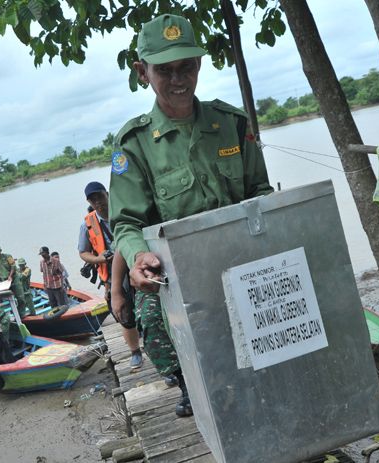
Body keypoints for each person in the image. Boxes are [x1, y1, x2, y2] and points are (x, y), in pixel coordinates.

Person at [109, 14, 273, 417]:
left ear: (199, 64)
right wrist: (137, 257)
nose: (178, 79)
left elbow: (260, 191)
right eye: (164, 70)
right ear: (142, 72)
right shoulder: (134, 144)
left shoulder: (231, 123)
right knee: (152, 320)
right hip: (176, 273)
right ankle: (188, 385)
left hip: (241, 260)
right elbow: (126, 223)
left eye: (187, 67)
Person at [78, 181, 142, 368]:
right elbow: (83, 253)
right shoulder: (87, 225)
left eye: (100, 196)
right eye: (93, 200)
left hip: (135, 262)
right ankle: (135, 351)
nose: (98, 202)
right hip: (112, 274)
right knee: (123, 314)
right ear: (89, 202)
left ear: (107, 194)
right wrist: (100, 259)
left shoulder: (123, 211)